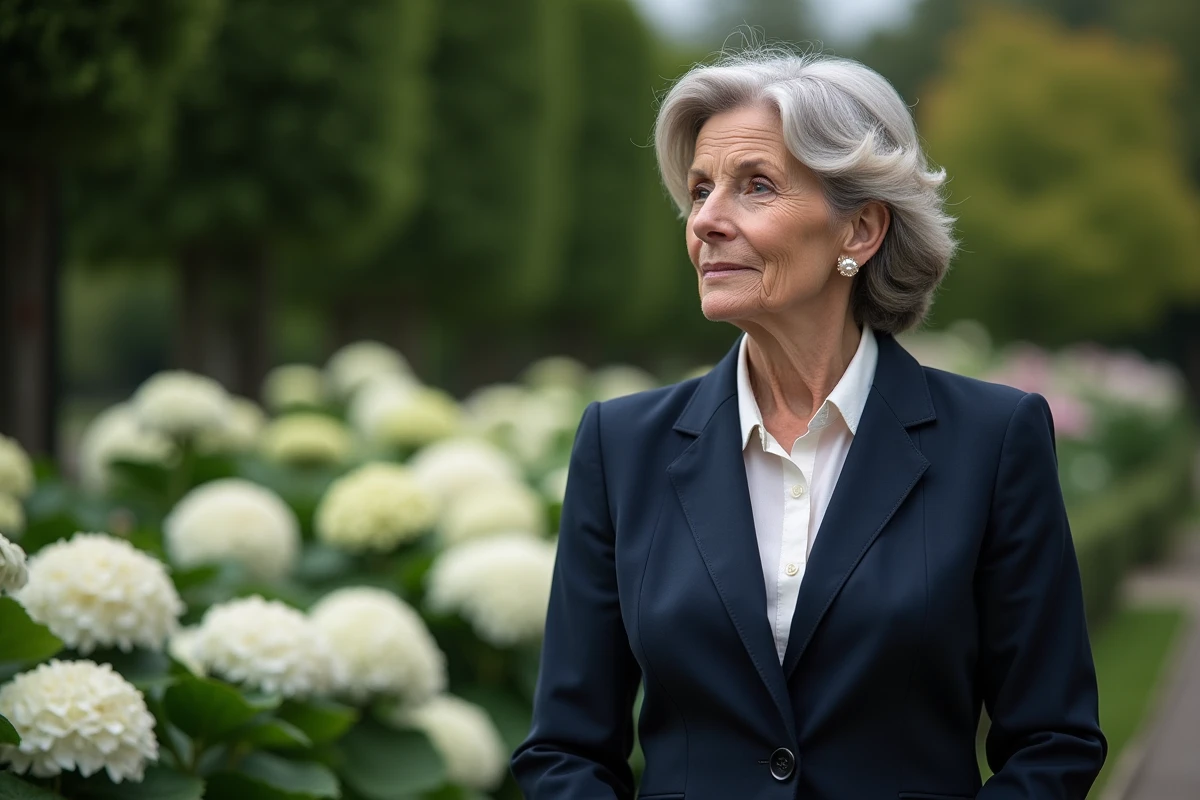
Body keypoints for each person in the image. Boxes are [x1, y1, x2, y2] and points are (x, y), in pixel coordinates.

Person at [511, 50, 1105, 800]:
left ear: (860, 230)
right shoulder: (620, 445)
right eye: (700, 189)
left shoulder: (993, 440)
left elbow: (1053, 742)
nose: (706, 221)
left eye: (755, 185)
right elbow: (564, 751)